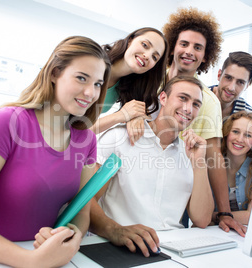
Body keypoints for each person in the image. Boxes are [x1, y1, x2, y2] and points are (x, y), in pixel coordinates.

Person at [0, 36, 111, 267]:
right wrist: (29, 260)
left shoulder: (87, 140)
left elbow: (80, 211)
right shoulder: (6, 123)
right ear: (54, 73)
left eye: (97, 84)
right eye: (81, 78)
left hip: (44, 257)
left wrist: (70, 236)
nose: (90, 93)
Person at [89, 76, 214, 257]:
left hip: (171, 250)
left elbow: (202, 220)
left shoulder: (190, 155)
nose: (188, 108)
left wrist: (199, 164)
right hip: (119, 246)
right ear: (163, 98)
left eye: (196, 104)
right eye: (183, 98)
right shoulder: (118, 138)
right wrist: (115, 230)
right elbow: (87, 202)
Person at [160, 7, 248, 236]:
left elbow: (214, 154)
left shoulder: (208, 100)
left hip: (176, 188)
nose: (189, 51)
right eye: (184, 44)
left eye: (198, 47)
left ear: (205, 56)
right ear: (172, 47)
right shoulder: (150, 81)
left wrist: (225, 212)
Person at [91, 27, 168, 136]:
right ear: (130, 40)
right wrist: (120, 115)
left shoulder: (124, 87)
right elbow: (71, 130)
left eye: (154, 57)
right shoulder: (92, 63)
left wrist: (136, 117)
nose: (147, 56)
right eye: (145, 45)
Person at [216, 111, 252, 225]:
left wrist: (214, 216)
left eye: (248, 135)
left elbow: (251, 216)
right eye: (235, 132)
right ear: (226, 133)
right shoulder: (211, 164)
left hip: (243, 234)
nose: (240, 139)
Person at [209, 51, 252, 121]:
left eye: (240, 82)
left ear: (247, 86)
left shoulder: (247, 114)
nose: (231, 88)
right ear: (219, 75)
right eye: (228, 78)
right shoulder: (198, 97)